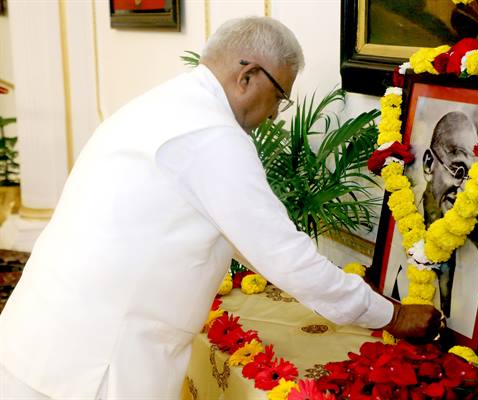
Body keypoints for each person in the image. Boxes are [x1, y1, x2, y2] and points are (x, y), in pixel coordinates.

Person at [0, 17, 441, 399]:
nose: (275, 115)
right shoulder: (211, 135)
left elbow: (245, 239)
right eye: (280, 96)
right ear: (247, 75)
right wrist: (394, 315)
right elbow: (284, 257)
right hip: (93, 365)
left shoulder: (165, 102)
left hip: (43, 336)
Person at [387, 110, 478, 339]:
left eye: (471, 179)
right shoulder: (398, 223)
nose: (463, 189)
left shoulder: (472, 257)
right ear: (429, 164)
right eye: (458, 170)